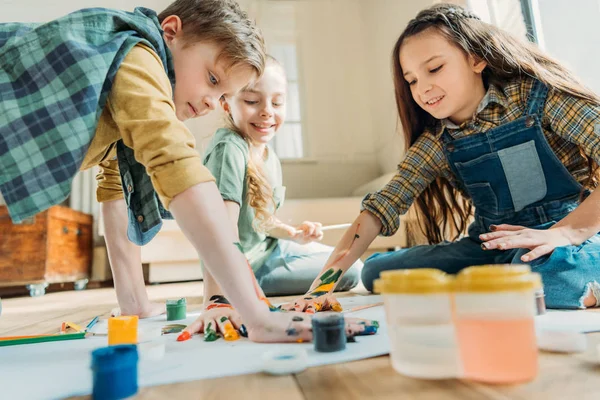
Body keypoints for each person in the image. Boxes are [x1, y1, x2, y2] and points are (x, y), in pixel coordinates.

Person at [283, 3, 600, 312]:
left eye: (434, 68)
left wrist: (566, 232)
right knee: (377, 273)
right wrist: (319, 289)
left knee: (546, 274)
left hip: (564, 243)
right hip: (489, 248)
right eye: (412, 80)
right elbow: (380, 209)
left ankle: (526, 280)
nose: (422, 89)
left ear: (476, 59)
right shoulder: (437, 142)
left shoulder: (538, 96)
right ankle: (506, 284)